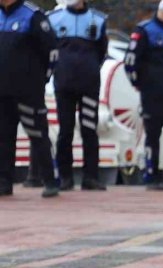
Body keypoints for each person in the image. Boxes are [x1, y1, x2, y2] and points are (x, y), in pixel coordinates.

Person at [124, 0, 163, 191]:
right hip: (152, 94)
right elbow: (130, 61)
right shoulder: (145, 31)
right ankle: (151, 176)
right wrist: (139, 84)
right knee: (153, 136)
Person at [0, 0, 59, 198]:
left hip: (28, 90)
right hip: (2, 91)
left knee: (38, 135)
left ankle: (50, 180)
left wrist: (42, 79)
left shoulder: (32, 16)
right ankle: (4, 182)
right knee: (4, 137)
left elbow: (51, 49)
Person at [48, 0, 108, 191]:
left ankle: (91, 177)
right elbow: (48, 49)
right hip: (63, 84)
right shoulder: (54, 19)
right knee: (65, 131)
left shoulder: (97, 20)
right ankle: (65, 177)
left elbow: (102, 51)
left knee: (89, 129)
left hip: (89, 84)